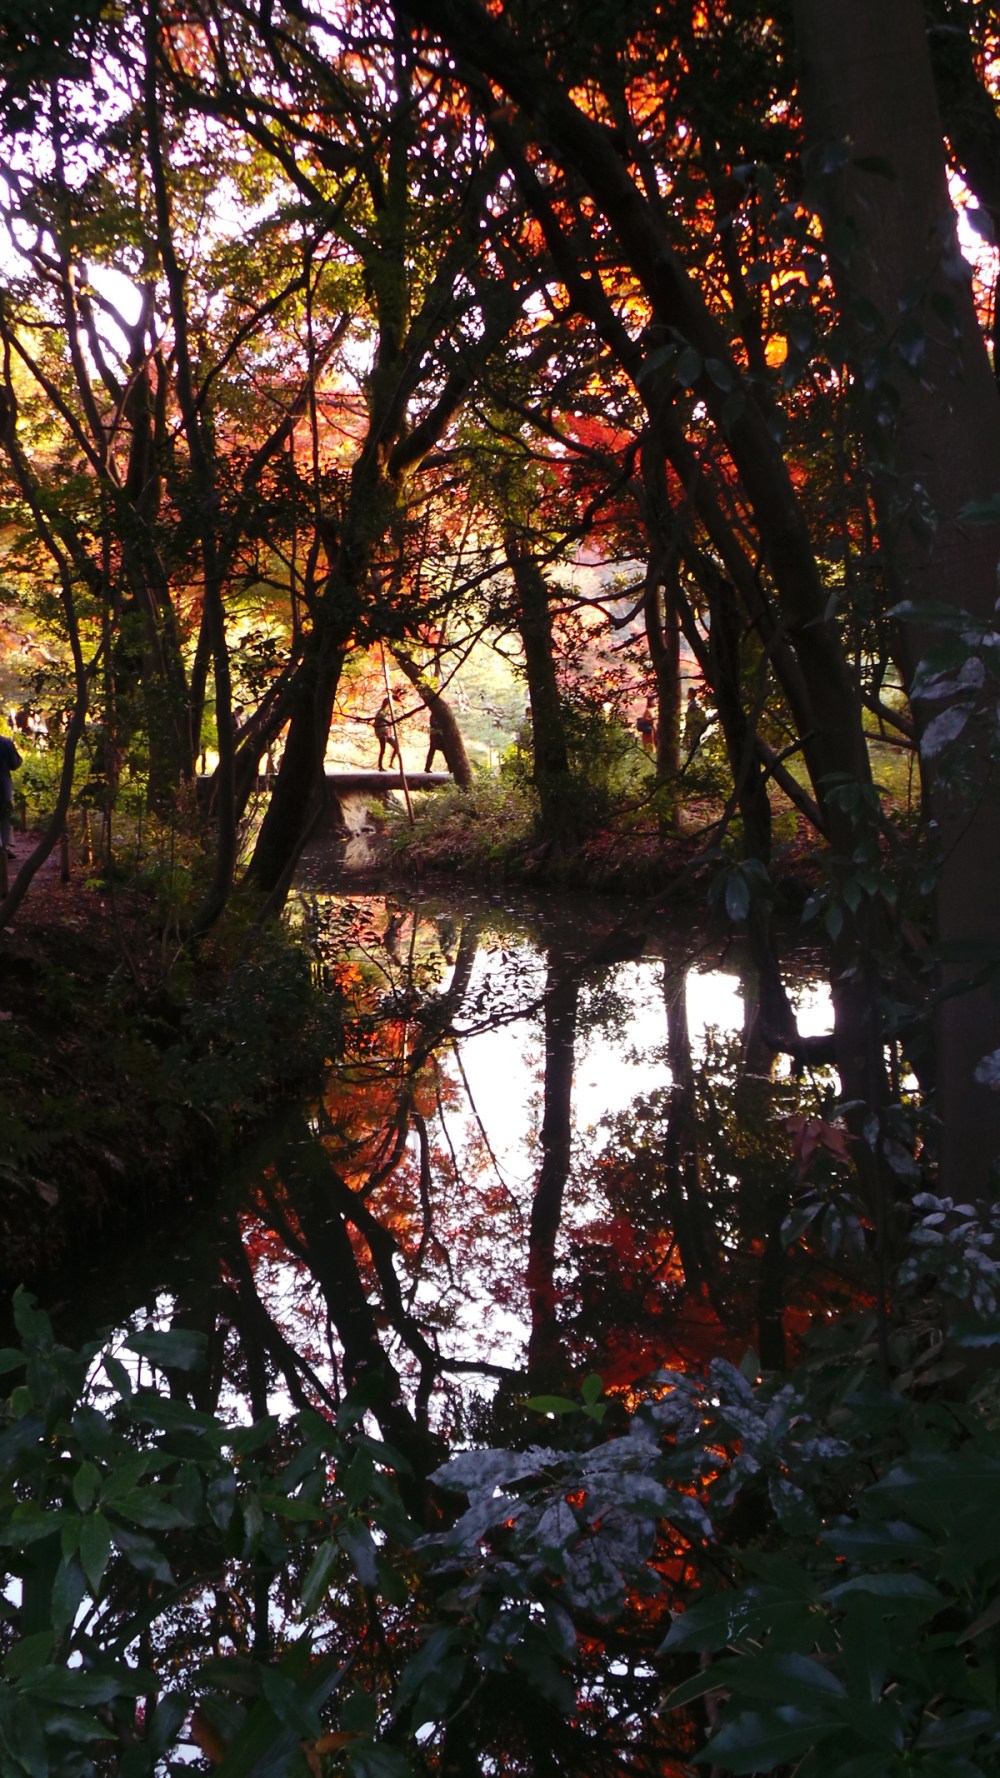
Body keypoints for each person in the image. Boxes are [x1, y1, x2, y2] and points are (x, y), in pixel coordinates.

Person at [0, 728, 22, 858]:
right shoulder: (5, 742)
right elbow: (15, 763)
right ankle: (5, 847)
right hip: (3, 781)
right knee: (5, 812)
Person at [373, 696, 400, 771]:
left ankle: (391, 763)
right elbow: (376, 723)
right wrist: (378, 731)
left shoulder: (387, 712)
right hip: (382, 733)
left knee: (396, 747)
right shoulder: (381, 712)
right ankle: (380, 766)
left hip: (387, 734)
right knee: (383, 750)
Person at [424, 701, 446, 772]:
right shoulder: (434, 716)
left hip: (438, 736)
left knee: (445, 752)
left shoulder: (438, 715)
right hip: (435, 736)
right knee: (433, 752)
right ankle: (427, 767)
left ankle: (451, 767)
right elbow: (434, 725)